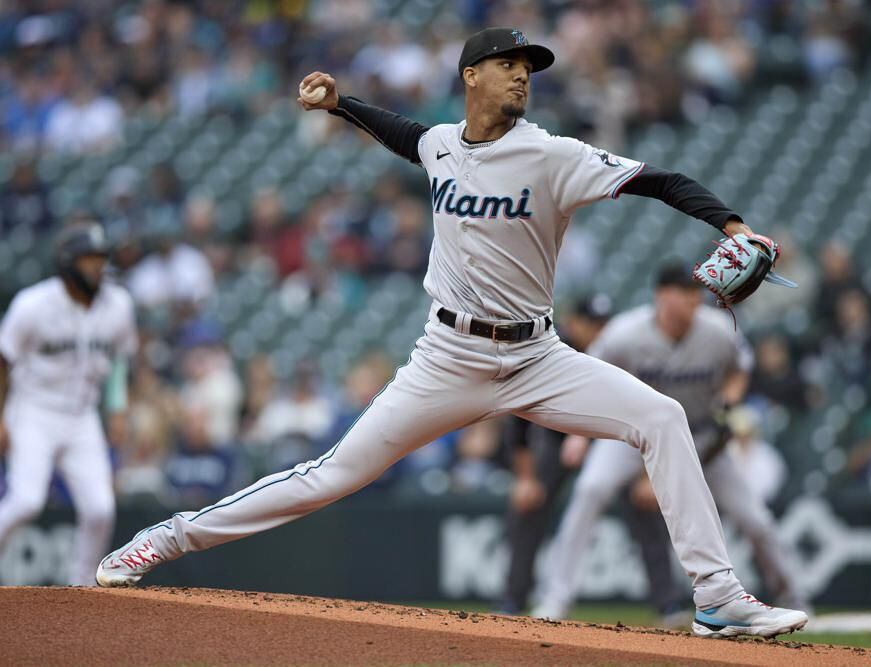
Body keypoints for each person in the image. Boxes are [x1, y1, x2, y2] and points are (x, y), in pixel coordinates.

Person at [97, 27, 807, 639]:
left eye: (529, 67)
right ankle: (164, 538)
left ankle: (716, 596)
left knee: (661, 415)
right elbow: (404, 134)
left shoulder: (553, 155)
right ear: (472, 75)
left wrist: (734, 226)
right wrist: (341, 103)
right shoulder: (440, 143)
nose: (523, 74)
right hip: (448, 356)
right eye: (509, 64)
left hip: (537, 354)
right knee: (331, 475)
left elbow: (663, 179)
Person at [531, 266, 807, 625]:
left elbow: (739, 370)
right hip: (631, 435)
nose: (691, 304)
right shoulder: (624, 334)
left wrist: (728, 402)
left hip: (701, 436)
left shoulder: (717, 330)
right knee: (590, 490)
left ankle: (793, 596)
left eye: (695, 297)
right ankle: (555, 598)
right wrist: (580, 435)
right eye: (683, 295)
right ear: (661, 296)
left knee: (754, 518)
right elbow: (586, 376)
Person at [500, 293, 677, 619]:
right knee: (529, 508)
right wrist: (525, 477)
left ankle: (667, 604)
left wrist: (644, 471)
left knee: (647, 511)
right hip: (556, 439)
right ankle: (514, 600)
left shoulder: (619, 350)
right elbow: (516, 414)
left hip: (612, 438)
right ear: (573, 322)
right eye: (592, 324)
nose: (599, 331)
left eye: (603, 324)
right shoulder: (550, 350)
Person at [0, 222, 137, 585]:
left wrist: (118, 408)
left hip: (82, 417)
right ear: (67, 262)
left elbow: (120, 360)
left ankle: (84, 589)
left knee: (100, 509)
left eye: (100, 258)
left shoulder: (119, 304)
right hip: (33, 411)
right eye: (88, 258)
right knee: (26, 501)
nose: (97, 266)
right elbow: (3, 361)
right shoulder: (33, 304)